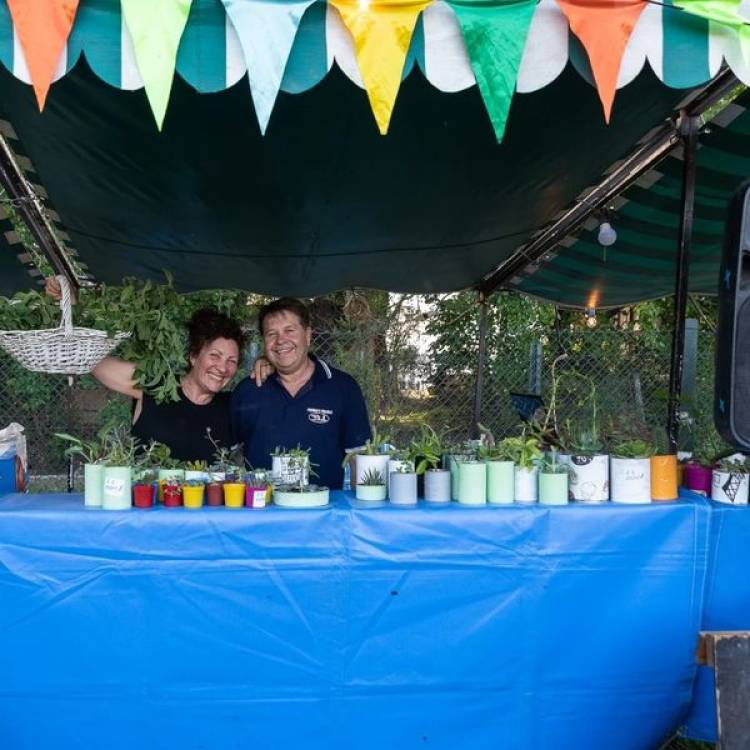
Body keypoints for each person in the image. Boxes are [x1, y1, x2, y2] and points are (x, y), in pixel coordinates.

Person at [45, 277, 247, 463]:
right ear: (193, 356)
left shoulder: (233, 405)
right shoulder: (153, 385)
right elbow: (90, 359)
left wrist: (264, 362)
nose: (222, 368)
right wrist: (71, 307)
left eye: (232, 360)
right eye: (214, 356)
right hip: (146, 500)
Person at [231, 297, 372, 489]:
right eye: (271, 334)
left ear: (308, 335)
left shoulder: (344, 388)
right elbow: (227, 457)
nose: (281, 340)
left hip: (325, 513)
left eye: (289, 330)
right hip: (262, 513)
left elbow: (360, 461)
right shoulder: (247, 391)